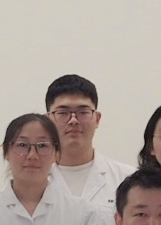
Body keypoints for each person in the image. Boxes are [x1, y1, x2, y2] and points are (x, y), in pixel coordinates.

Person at [46, 74, 133, 217]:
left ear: (97, 119)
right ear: (48, 120)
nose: (73, 120)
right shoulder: (33, 182)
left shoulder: (128, 179)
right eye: (63, 113)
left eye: (83, 112)